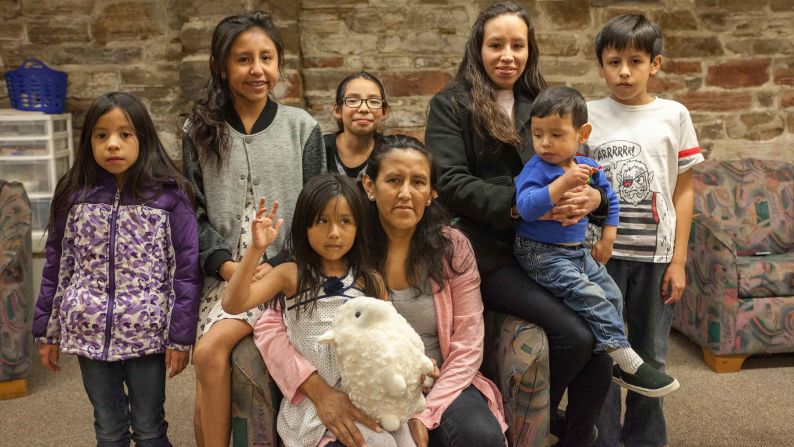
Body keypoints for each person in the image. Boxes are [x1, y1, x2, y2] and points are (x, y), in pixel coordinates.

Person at [424, 2, 613, 446]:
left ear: (530, 51)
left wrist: (594, 197)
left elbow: (582, 161)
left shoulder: (543, 101)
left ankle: (575, 436)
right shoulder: (450, 104)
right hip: (489, 253)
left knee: (602, 346)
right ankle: (532, 419)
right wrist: (519, 206)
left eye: (517, 45)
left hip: (553, 245)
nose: (507, 55)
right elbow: (450, 183)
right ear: (478, 48)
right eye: (496, 45)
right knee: (573, 334)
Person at [254, 135, 507, 447]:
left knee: (480, 437)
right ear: (369, 186)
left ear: (431, 193)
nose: (405, 193)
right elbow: (268, 325)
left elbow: (468, 342)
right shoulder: (341, 241)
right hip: (362, 391)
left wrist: (420, 415)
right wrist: (320, 392)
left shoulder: (451, 248)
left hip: (439, 385)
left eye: (418, 182)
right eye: (393, 180)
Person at [181, 11, 326, 447]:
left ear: (279, 64)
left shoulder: (302, 127)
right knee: (209, 358)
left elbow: (316, 212)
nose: (257, 70)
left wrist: (278, 264)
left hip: (287, 272)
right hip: (225, 274)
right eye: (243, 59)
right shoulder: (198, 130)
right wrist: (229, 267)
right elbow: (194, 215)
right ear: (222, 67)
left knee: (209, 352)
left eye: (267, 58)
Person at [32, 92, 201, 446]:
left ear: (144, 138)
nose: (112, 144)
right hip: (87, 328)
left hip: (148, 333)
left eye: (125, 134)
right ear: (88, 141)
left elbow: (184, 272)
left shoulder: (170, 196)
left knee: (150, 427)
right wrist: (47, 331)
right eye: (101, 135)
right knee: (108, 428)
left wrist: (180, 336)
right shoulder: (73, 195)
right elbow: (56, 266)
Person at [221, 173, 420, 447]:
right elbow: (233, 303)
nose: (334, 232)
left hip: (370, 400)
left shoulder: (370, 280)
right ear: (305, 225)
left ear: (358, 227)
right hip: (314, 412)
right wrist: (256, 250)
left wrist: (417, 365)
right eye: (322, 221)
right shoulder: (291, 275)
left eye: (345, 221)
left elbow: (393, 338)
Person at [513, 86, 679, 397]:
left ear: (582, 134)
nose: (545, 143)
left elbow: (611, 199)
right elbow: (526, 207)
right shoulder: (536, 168)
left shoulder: (587, 166)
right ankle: (629, 362)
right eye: (537, 134)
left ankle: (613, 362)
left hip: (576, 252)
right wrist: (563, 183)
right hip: (540, 253)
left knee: (613, 294)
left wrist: (608, 236)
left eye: (556, 135)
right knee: (592, 297)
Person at [586, 14, 703, 447]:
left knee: (650, 355)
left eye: (635, 61)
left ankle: (646, 439)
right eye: (613, 61)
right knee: (603, 353)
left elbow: (684, 190)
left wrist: (679, 261)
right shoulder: (587, 115)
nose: (624, 72)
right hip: (601, 257)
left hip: (656, 259)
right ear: (600, 65)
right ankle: (603, 439)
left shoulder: (674, 115)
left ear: (655, 64)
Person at [325, 71, 390, 181]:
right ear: (337, 110)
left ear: (384, 112)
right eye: (353, 101)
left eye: (373, 102)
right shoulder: (320, 149)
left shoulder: (392, 152)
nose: (364, 109)